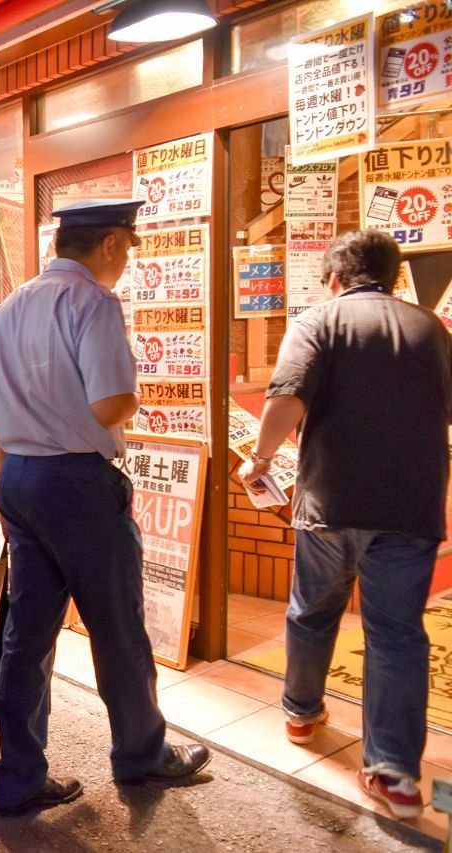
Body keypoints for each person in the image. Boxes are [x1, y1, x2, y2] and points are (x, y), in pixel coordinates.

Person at [0, 199, 210, 816]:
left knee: (26, 635)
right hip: (77, 485)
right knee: (117, 627)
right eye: (128, 248)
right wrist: (128, 397)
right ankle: (141, 755)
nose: (128, 261)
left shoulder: (9, 306)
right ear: (109, 243)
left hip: (20, 479)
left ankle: (19, 774)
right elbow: (112, 403)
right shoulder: (93, 303)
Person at [239, 229, 451, 822]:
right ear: (392, 275)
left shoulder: (318, 322)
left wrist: (259, 460)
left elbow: (287, 398)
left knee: (312, 610)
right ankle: (396, 777)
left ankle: (302, 715)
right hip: (409, 509)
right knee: (397, 635)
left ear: (333, 277)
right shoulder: (430, 329)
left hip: (330, 502)